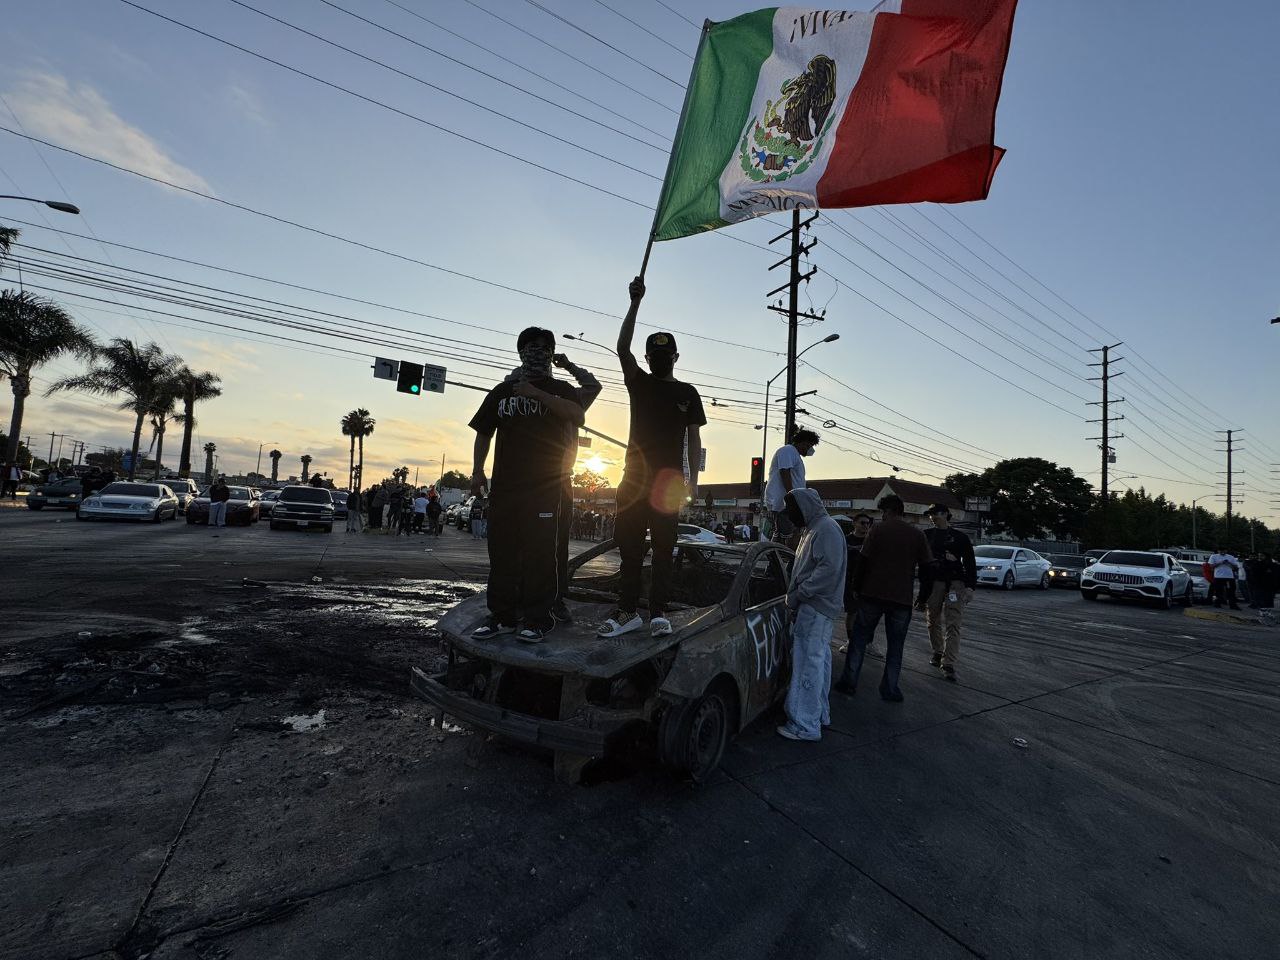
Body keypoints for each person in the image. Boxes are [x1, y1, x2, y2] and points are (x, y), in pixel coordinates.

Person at [599, 277, 706, 640]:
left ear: (676, 358)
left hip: (669, 484)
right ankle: (627, 611)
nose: (660, 359)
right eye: (654, 356)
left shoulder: (688, 393)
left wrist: (694, 482)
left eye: (666, 355)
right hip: (633, 479)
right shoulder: (639, 382)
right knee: (629, 549)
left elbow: (694, 438)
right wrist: (634, 303)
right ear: (648, 359)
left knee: (663, 551)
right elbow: (621, 348)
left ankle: (657, 612)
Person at [470, 326, 583, 643]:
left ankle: (538, 618)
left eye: (543, 347)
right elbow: (483, 432)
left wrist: (538, 394)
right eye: (530, 346)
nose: (537, 351)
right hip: (505, 488)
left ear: (550, 353)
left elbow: (577, 415)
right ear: (520, 353)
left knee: (540, 555)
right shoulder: (501, 392)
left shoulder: (562, 389)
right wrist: (477, 471)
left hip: (546, 489)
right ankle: (502, 616)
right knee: (502, 554)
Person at [836, 495, 933, 701]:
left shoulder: (878, 530)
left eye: (882, 512)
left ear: (888, 511)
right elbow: (927, 568)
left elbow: (863, 560)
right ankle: (889, 689)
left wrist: (856, 587)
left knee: (859, 641)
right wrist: (923, 597)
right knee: (896, 647)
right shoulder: (917, 535)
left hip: (872, 594)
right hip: (901, 599)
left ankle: (849, 682)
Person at [776, 489, 847, 742]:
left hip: (815, 607)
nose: (789, 516)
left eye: (791, 510)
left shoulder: (825, 528)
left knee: (808, 664)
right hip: (815, 607)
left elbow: (828, 569)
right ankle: (818, 715)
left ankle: (804, 724)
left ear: (804, 507)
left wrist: (800, 593)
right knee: (818, 662)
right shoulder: (815, 528)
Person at [922, 504, 977, 682]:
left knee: (953, 623)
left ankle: (948, 662)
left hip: (955, 583)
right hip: (934, 583)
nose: (932, 517)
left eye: (935, 514)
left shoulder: (960, 537)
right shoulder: (927, 535)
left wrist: (970, 587)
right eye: (930, 514)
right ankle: (938, 651)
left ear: (945, 514)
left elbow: (969, 563)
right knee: (932, 620)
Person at [764, 429, 820, 547]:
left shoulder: (795, 455)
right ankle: (775, 561)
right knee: (784, 536)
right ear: (802, 442)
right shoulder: (788, 450)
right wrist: (791, 496)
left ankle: (782, 562)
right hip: (784, 503)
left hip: (790, 503)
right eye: (808, 445)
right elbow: (785, 471)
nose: (809, 449)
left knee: (790, 535)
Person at [843, 513, 874, 656]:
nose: (866, 525)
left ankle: (868, 643)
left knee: (868, 614)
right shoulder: (846, 540)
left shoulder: (871, 541)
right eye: (863, 523)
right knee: (852, 613)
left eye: (868, 523)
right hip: (850, 582)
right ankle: (851, 641)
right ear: (854, 523)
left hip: (868, 583)